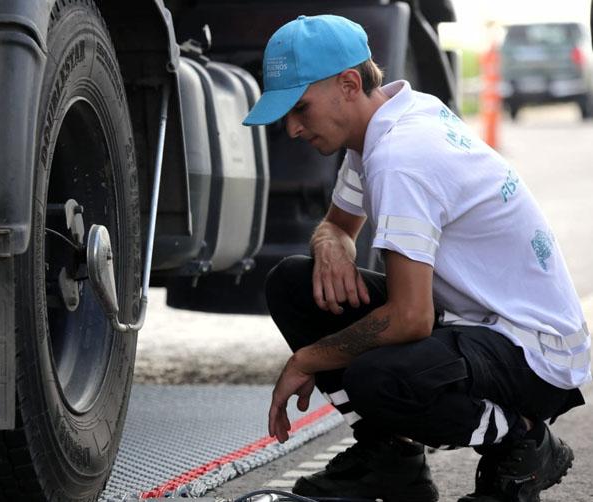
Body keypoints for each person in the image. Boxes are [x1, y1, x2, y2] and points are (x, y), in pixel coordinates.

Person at [242, 14, 589, 502]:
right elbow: (337, 226)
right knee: (293, 285)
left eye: (301, 108)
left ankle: (524, 441)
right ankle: (391, 460)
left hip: (534, 351)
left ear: (347, 84)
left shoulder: (402, 157)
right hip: (476, 321)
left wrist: (308, 358)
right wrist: (330, 243)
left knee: (378, 378)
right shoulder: (389, 120)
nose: (294, 129)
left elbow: (409, 319)